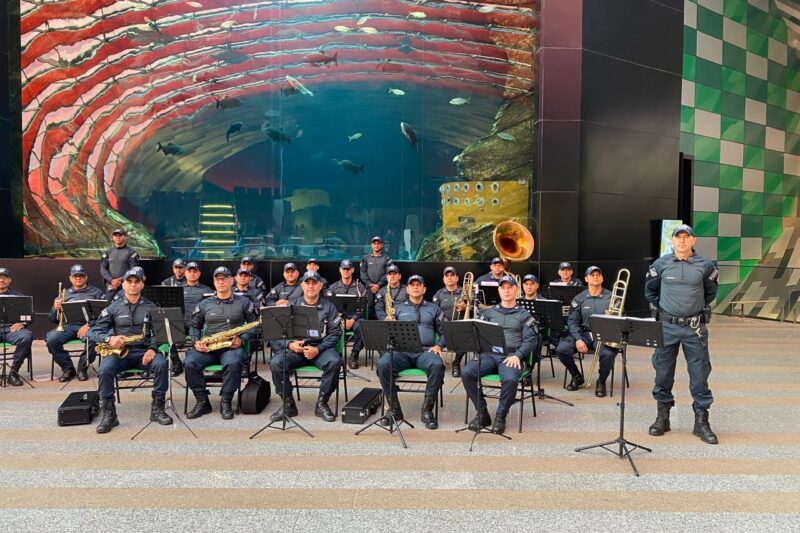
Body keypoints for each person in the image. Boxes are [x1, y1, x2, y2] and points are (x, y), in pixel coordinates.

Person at [645, 224, 719, 444]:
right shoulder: (661, 264)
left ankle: (701, 422)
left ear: (693, 241)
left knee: (700, 374)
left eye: (687, 237)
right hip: (667, 327)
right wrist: (668, 311)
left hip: (694, 329)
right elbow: (650, 290)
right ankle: (662, 417)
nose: (683, 241)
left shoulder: (705, 266)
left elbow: (710, 293)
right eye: (679, 237)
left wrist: (692, 310)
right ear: (672, 240)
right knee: (662, 372)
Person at [88, 268, 172, 433]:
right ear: (123, 284)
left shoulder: (151, 306)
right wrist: (109, 339)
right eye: (129, 282)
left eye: (136, 282)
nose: (133, 285)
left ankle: (157, 409)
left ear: (142, 284)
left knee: (162, 364)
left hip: (144, 351)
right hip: (120, 353)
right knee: (104, 369)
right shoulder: (113, 307)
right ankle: (109, 415)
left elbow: (160, 333)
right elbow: (94, 331)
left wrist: (153, 349)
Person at [461, 275, 539, 435]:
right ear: (499, 290)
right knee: (467, 372)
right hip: (490, 355)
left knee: (510, 379)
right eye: (503, 287)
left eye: (510, 287)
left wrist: (518, 355)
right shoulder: (490, 312)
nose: (507, 290)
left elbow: (531, 340)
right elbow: (476, 332)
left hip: (511, 356)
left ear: (516, 290)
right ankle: (482, 413)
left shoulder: (525, 315)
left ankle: (500, 415)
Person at [185, 267, 259, 420]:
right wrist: (196, 341)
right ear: (214, 282)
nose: (221, 282)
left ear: (232, 280)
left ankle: (226, 401)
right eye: (218, 279)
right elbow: (194, 325)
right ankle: (202, 401)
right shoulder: (205, 304)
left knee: (234, 363)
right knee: (189, 362)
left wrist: (243, 339)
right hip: (209, 347)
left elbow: (256, 325)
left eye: (225, 278)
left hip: (231, 347)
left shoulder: (244, 302)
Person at [269, 271, 343, 423]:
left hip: (320, 350)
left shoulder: (329, 307)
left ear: (320, 285)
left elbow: (335, 334)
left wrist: (319, 349)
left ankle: (322, 403)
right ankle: (288, 403)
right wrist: (290, 344)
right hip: (296, 350)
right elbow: (277, 334)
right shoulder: (291, 306)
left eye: (314, 282)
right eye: (307, 283)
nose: (311, 286)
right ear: (301, 285)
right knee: (276, 362)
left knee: (335, 361)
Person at [376, 275, 446, 430]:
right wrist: (388, 326)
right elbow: (389, 334)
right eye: (412, 285)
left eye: (419, 284)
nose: (415, 287)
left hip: (425, 351)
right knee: (383, 364)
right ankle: (395, 409)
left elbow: (445, 332)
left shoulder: (434, 309)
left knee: (437, 365)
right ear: (407, 289)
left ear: (424, 289)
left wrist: (439, 346)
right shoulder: (398, 309)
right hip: (402, 352)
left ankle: (427, 410)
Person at [554, 266, 619, 397]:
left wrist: (613, 317)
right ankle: (576, 376)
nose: (595, 276)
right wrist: (578, 339)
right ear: (586, 279)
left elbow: (621, 318)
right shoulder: (579, 298)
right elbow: (572, 321)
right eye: (592, 274)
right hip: (583, 333)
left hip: (603, 334)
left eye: (598, 274)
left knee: (608, 353)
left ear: (602, 278)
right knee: (561, 349)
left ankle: (601, 381)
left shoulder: (612, 297)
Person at [45, 264, 105, 382]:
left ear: (86, 277)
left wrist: (90, 325)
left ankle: (82, 368)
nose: (78, 278)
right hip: (68, 326)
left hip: (89, 326)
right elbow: (53, 319)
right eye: (75, 276)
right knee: (51, 340)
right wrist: (54, 307)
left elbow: (104, 315)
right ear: (70, 278)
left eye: (81, 276)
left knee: (93, 339)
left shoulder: (96, 292)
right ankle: (68, 369)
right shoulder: (64, 294)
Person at [325, 259, 369, 369]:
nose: (346, 271)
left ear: (352, 270)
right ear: (340, 270)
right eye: (344, 269)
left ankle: (354, 355)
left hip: (355, 318)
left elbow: (362, 307)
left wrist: (352, 320)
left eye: (348, 269)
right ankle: (334, 354)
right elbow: (329, 307)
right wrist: (342, 319)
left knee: (362, 324)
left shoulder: (360, 287)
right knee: (329, 324)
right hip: (339, 317)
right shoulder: (333, 287)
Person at [174, 262, 214, 377]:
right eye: (189, 271)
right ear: (185, 273)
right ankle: (176, 362)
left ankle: (197, 359)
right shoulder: (177, 289)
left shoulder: (207, 290)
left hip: (198, 324)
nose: (192, 274)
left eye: (195, 271)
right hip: (181, 323)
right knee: (168, 332)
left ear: (199, 273)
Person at [0, 268, 34, 387]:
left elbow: (30, 315)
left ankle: (13, 373)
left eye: (4, 278)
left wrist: (22, 323)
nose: (1, 280)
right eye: (0, 277)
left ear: (10, 280)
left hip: (11, 330)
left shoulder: (19, 297)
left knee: (26, 336)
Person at [432, 266, 467, 377]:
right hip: (443, 326)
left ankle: (456, 362)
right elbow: (433, 311)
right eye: (447, 276)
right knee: (446, 332)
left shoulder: (465, 292)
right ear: (443, 279)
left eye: (452, 275)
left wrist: (466, 307)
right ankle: (436, 359)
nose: (450, 278)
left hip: (461, 326)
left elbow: (476, 309)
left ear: (457, 278)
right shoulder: (439, 294)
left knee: (466, 336)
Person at [100, 228, 140, 300]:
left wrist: (120, 280)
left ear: (125, 237)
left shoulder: (131, 252)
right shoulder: (108, 252)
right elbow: (103, 268)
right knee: (109, 308)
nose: (118, 237)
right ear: (113, 237)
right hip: (111, 286)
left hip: (126, 286)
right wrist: (111, 280)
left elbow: (134, 269)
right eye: (115, 235)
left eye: (120, 235)